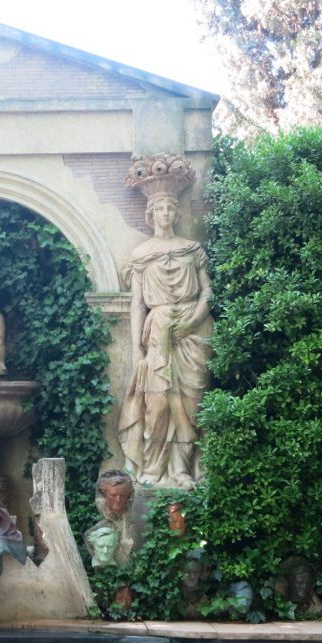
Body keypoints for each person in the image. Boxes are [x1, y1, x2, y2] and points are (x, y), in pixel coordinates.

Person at [119, 192, 213, 489]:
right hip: (158, 329)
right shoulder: (142, 254)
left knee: (191, 403)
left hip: (195, 332)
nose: (166, 213)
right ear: (151, 214)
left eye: (171, 208)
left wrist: (193, 321)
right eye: (160, 208)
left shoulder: (191, 249)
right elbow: (137, 304)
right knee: (157, 402)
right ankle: (154, 467)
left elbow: (207, 292)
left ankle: (181, 470)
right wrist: (136, 348)